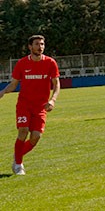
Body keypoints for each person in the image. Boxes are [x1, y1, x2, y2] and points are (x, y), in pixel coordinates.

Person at [0, 35, 60, 176]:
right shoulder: (21, 63)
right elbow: (14, 84)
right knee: (23, 130)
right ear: (30, 47)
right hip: (24, 104)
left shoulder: (50, 63)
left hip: (40, 107)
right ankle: (19, 165)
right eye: (37, 44)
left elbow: (56, 84)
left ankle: (17, 156)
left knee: (35, 137)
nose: (40, 47)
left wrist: (53, 100)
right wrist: (3, 91)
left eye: (42, 44)